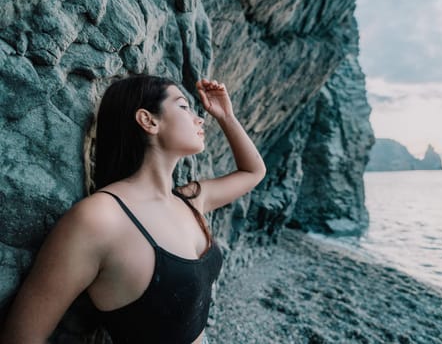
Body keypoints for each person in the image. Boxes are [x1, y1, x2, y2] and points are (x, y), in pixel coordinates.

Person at [0, 75, 266, 344]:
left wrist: (226, 116)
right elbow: (22, 335)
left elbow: (253, 171)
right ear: (148, 120)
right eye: (184, 107)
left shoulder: (190, 200)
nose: (200, 119)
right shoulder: (99, 219)